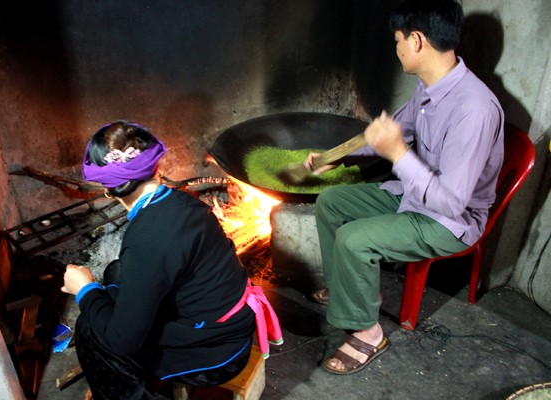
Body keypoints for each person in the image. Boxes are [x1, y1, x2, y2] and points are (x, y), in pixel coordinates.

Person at [304, 0, 504, 375]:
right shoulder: (430, 87)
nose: (395, 48)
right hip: (415, 198)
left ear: (415, 40)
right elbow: (391, 132)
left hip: (450, 222)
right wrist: (338, 156)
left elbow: (451, 202)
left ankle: (368, 332)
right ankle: (355, 294)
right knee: (332, 201)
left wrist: (398, 153)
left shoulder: (473, 109)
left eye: (397, 39)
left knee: (353, 239)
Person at [62, 121, 282, 399]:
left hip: (215, 355)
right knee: (116, 272)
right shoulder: (184, 203)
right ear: (156, 168)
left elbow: (122, 342)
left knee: (90, 329)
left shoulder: (146, 237)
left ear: (109, 190)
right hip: (232, 325)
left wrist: (83, 290)